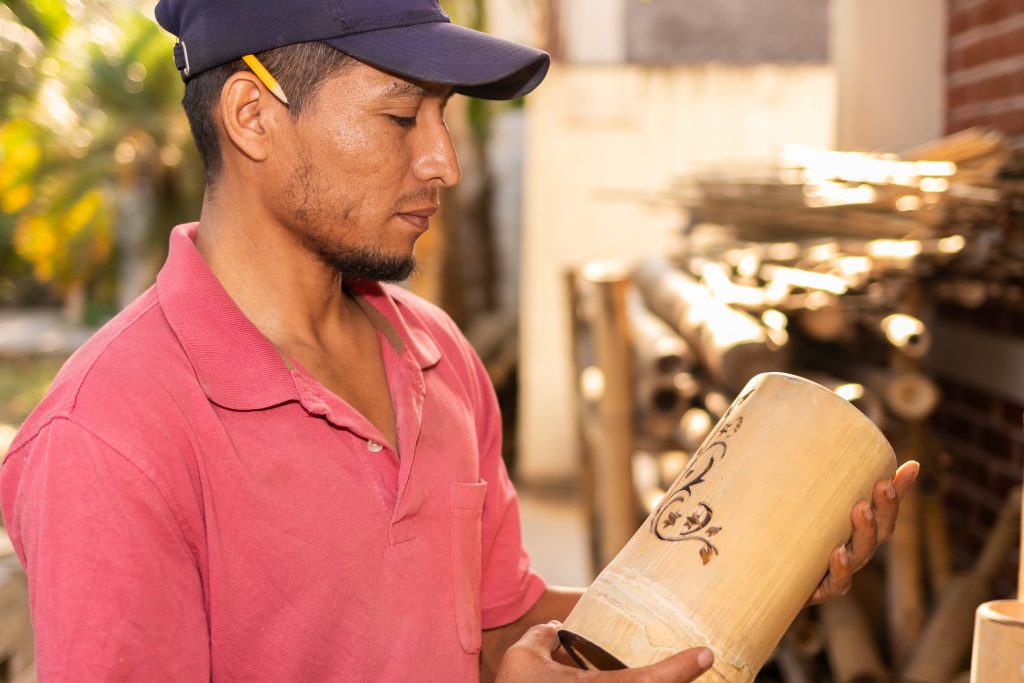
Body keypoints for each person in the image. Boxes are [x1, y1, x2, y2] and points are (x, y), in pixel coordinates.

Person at [0, 1, 918, 681]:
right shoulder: (109, 440)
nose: (445, 159)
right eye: (402, 116)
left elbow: (489, 628)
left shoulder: (434, 357)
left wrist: (759, 574)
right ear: (252, 116)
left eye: (444, 115)